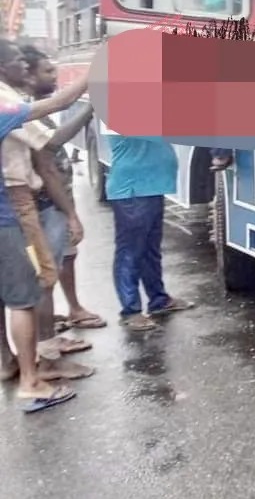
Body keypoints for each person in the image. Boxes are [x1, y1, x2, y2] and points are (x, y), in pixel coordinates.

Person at [0, 40, 95, 382]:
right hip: (19, 201)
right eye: (19, 64)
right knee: (36, 285)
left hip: (15, 200)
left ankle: (8, 361)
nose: (24, 68)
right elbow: (49, 151)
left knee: (11, 288)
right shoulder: (8, 102)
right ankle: (43, 364)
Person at [20, 45, 107, 332]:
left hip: (55, 200)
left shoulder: (29, 107)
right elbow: (51, 149)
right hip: (47, 202)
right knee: (47, 271)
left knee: (65, 257)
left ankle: (67, 312)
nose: (55, 75)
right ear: (28, 76)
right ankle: (46, 342)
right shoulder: (22, 110)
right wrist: (89, 108)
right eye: (47, 71)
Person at [105, 130, 195, 330]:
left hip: (151, 187)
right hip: (134, 189)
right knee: (130, 252)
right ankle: (130, 310)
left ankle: (158, 299)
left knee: (149, 250)